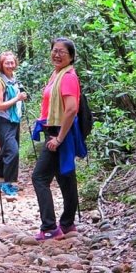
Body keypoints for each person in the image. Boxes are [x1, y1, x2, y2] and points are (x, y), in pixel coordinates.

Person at [30, 37, 87, 240]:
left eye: (62, 51)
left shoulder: (68, 77)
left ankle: (50, 227)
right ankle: (68, 223)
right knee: (65, 177)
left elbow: (71, 109)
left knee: (39, 178)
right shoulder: (57, 74)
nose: (57, 54)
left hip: (60, 132)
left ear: (71, 56)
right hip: (54, 129)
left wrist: (59, 138)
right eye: (54, 50)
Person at [0, 51, 27, 198]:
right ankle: (8, 184)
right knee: (13, 151)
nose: (10, 65)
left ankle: (1, 181)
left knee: (6, 150)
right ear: (1, 65)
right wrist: (18, 98)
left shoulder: (13, 79)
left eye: (12, 62)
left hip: (14, 120)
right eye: (7, 63)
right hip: (3, 121)